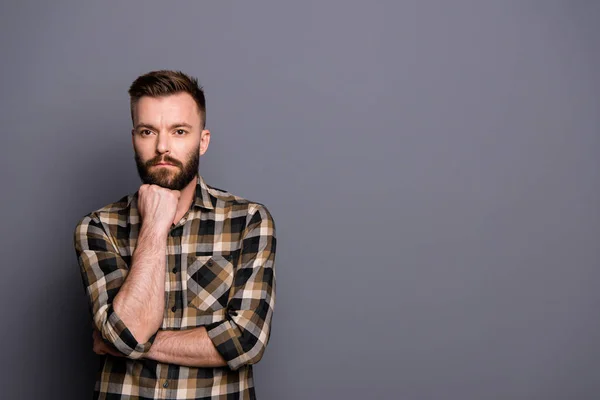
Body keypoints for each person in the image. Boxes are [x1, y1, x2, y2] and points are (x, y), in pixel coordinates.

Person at [73, 70, 277, 399]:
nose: (162, 147)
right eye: (147, 131)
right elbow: (128, 333)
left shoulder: (249, 221)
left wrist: (128, 343)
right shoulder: (98, 227)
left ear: (202, 140)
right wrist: (154, 227)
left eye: (179, 131)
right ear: (134, 138)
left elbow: (245, 341)